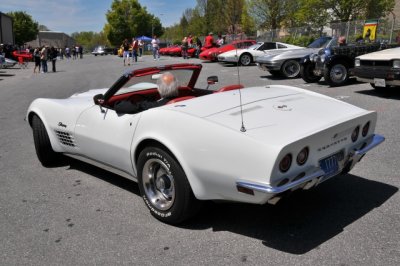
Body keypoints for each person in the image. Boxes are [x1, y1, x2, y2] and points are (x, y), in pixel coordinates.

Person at [114, 72, 179, 114]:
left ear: (159, 89)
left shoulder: (154, 105)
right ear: (176, 87)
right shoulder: (185, 99)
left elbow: (119, 106)